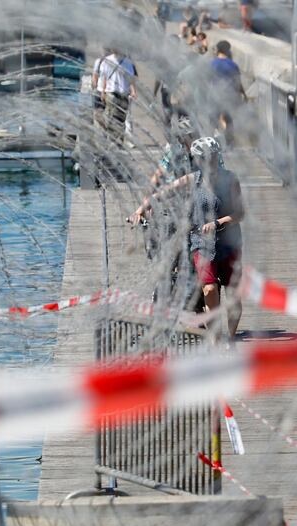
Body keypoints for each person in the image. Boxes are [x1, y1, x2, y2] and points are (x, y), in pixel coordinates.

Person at [129, 137, 244, 339]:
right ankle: (217, 338)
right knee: (209, 288)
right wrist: (139, 210)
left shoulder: (230, 180)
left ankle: (231, 338)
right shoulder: (194, 179)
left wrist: (218, 223)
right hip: (202, 243)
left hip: (228, 242)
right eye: (207, 159)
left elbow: (240, 213)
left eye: (214, 158)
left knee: (233, 294)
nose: (212, 162)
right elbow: (163, 192)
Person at [209, 40, 246, 147]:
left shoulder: (212, 63)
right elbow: (237, 82)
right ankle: (229, 144)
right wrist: (243, 94)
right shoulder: (233, 65)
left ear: (218, 50)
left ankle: (214, 142)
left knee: (214, 119)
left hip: (215, 94)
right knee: (228, 119)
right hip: (230, 95)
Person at [99, 50, 136, 146]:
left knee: (121, 120)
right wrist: (103, 91)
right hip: (112, 93)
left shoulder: (128, 62)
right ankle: (112, 142)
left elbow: (131, 79)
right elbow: (104, 78)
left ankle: (118, 143)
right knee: (111, 118)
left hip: (123, 95)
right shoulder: (107, 60)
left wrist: (133, 91)